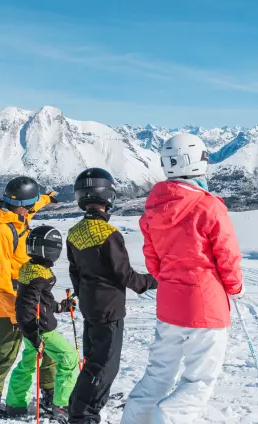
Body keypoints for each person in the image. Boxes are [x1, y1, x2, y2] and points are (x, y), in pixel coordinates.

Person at [121, 134, 245, 424]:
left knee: (158, 374)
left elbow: (153, 262)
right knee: (199, 379)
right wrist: (235, 288)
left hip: (169, 305)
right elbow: (227, 254)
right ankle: (171, 417)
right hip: (205, 305)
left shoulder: (154, 208)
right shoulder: (209, 205)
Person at [67, 168, 158, 424]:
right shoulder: (109, 234)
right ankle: (84, 415)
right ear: (107, 196)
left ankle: (78, 406)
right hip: (109, 308)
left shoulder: (74, 232)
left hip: (89, 307)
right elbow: (124, 274)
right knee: (105, 365)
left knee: (93, 361)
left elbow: (75, 272)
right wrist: (154, 280)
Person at [0, 176, 59, 413]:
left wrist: (47, 199)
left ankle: (50, 391)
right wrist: (17, 315)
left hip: (31, 297)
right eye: (30, 206)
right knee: (3, 352)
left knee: (47, 347)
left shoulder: (17, 216)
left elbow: (33, 206)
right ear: (21, 205)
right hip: (8, 303)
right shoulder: (1, 231)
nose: (32, 210)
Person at [0, 225, 80, 423]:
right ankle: (62, 405)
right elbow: (26, 306)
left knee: (27, 365)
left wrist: (59, 307)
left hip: (32, 328)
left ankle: (15, 404)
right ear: (51, 250)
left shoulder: (31, 269)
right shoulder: (39, 274)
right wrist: (34, 333)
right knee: (69, 358)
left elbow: (40, 300)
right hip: (41, 330)